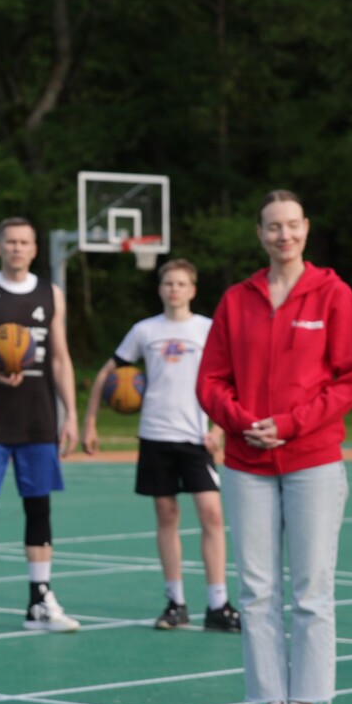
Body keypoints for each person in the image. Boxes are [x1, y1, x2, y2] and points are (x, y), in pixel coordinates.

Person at [196, 191, 352, 704]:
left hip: (312, 460)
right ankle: (271, 701)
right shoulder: (236, 300)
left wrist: (293, 423)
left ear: (306, 229)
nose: (284, 235)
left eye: (292, 225)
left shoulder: (334, 294)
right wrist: (242, 421)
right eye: (273, 227)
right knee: (256, 590)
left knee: (312, 588)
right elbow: (210, 381)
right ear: (260, 233)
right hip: (247, 463)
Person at [82, 258, 239, 632]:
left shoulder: (207, 329)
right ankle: (175, 602)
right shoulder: (145, 330)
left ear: (193, 290)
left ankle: (218, 604)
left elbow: (228, 380)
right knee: (166, 515)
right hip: (155, 434)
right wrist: (89, 421)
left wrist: (219, 428)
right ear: (160, 289)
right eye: (168, 283)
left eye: (181, 283)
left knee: (212, 515)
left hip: (195, 437)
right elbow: (106, 373)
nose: (174, 289)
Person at [0, 216, 81, 637]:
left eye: (25, 242)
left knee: (39, 509)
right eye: (10, 242)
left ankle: (39, 600)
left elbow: (59, 358)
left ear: (35, 249)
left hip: (39, 419)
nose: (17, 248)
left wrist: (71, 413)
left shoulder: (50, 294)